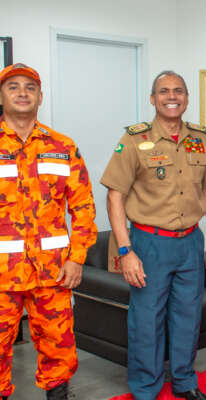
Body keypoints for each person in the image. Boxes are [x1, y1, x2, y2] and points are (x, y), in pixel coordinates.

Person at [101, 70, 206, 400]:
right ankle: (145, 388)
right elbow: (114, 196)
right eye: (164, 91)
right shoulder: (133, 140)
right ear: (153, 99)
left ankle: (184, 381)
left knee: (188, 317)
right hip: (149, 243)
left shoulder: (201, 138)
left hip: (191, 243)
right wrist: (126, 251)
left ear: (186, 98)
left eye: (178, 91)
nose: (172, 97)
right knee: (147, 320)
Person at [0, 63, 97, 400]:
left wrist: (77, 258)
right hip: (1, 274)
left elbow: (83, 206)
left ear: (40, 97)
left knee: (59, 348)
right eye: (13, 87)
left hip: (53, 271)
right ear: (2, 95)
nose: (22, 93)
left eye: (30, 87)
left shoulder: (62, 145)